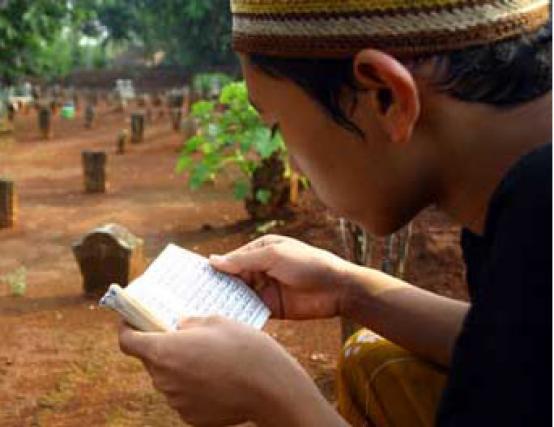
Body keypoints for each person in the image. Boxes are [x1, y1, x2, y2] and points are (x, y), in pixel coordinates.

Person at [118, 0, 552, 426]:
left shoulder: (541, 213)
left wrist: (274, 398)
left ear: (386, 96)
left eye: (277, 123)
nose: (290, 162)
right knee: (376, 362)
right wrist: (347, 288)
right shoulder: (525, 200)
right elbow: (518, 352)